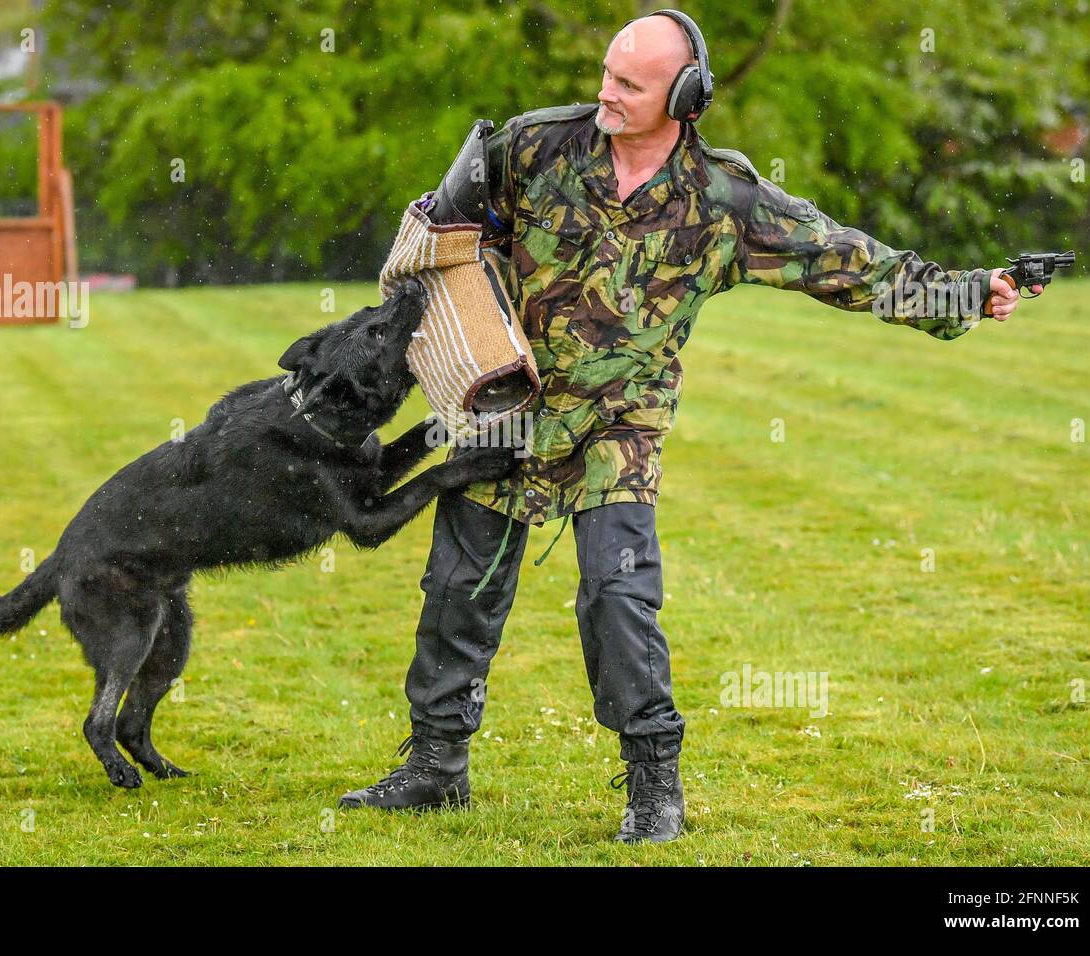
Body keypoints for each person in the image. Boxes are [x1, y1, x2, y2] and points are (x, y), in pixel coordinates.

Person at [339, 9, 1042, 843]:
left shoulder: (725, 197)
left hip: (621, 427)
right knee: (458, 591)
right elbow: (439, 235)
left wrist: (966, 292)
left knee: (618, 596)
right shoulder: (532, 147)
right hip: (506, 404)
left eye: (629, 84)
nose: (606, 92)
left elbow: (846, 263)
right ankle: (435, 766)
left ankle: (652, 784)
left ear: (686, 94)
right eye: (606, 73)